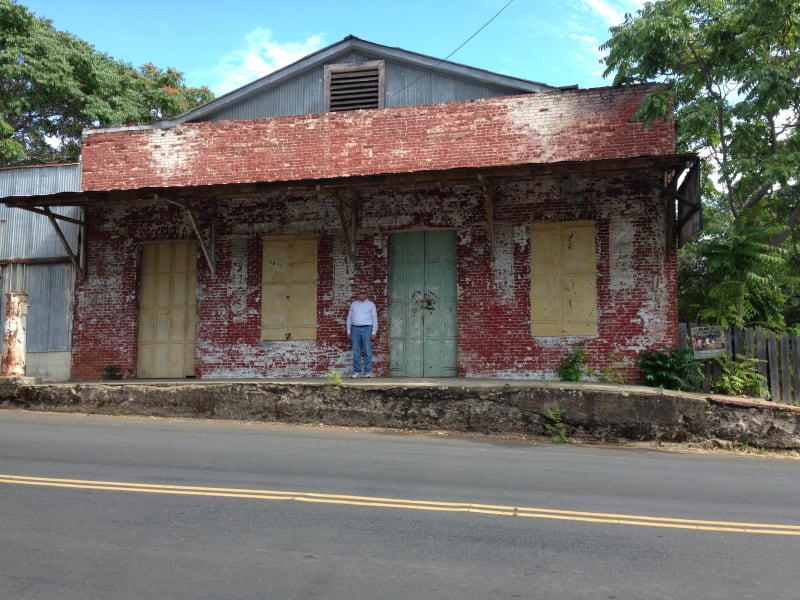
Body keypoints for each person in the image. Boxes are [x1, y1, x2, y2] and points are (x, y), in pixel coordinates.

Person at [346, 287, 378, 378]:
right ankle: (357, 371)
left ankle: (367, 372)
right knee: (356, 351)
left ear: (366, 294)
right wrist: (348, 331)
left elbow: (374, 318)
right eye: (361, 293)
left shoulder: (371, 304)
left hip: (367, 328)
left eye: (364, 293)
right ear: (358, 294)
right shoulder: (354, 304)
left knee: (367, 351)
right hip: (355, 329)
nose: (362, 294)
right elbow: (349, 318)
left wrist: (374, 332)